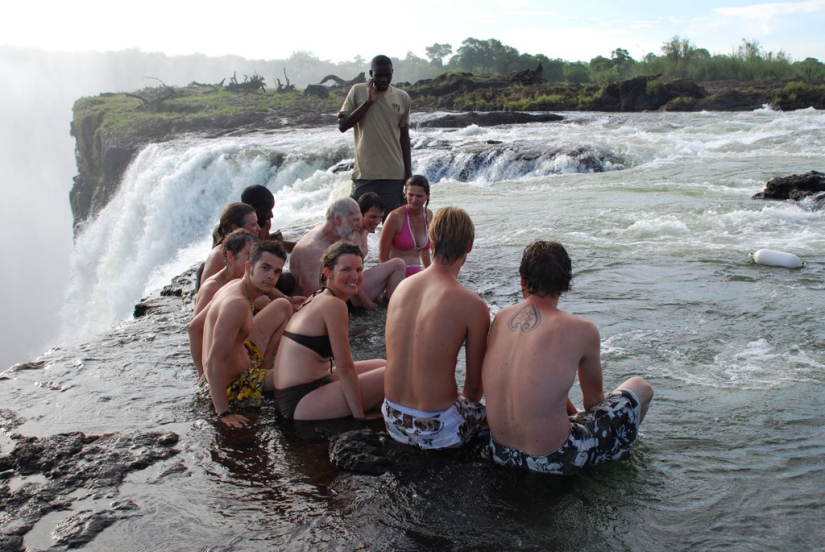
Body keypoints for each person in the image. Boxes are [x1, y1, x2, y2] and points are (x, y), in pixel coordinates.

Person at [482, 241, 654, 475]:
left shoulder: (501, 318)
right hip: (555, 459)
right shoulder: (582, 330)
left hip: (500, 452)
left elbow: (537, 385)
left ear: (523, 280)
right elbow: (593, 402)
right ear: (565, 284)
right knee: (640, 387)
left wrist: (571, 415)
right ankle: (612, 459)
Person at [382, 207, 490, 449]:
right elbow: (473, 388)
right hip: (438, 429)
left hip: (391, 417)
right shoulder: (473, 305)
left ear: (431, 242)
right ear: (469, 247)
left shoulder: (401, 288)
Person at [272, 241, 385, 420]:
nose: (354, 276)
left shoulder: (319, 295)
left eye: (359, 269)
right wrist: (359, 418)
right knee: (391, 375)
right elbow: (345, 367)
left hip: (301, 389)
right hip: (301, 401)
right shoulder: (334, 305)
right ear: (328, 272)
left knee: (382, 364)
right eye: (346, 269)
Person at [196, 240, 292, 427]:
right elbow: (213, 361)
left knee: (284, 306)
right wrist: (224, 413)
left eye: (277, 271)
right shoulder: (237, 304)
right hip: (235, 385)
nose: (271, 276)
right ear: (249, 267)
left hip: (245, 356)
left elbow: (193, 327)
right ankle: (263, 376)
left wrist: (201, 376)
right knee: (303, 373)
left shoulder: (234, 284)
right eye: (265, 268)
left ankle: (265, 367)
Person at [338, 55, 412, 215]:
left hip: (394, 175)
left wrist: (408, 175)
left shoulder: (402, 97)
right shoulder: (357, 91)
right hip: (365, 173)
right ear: (371, 73)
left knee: (393, 226)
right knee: (356, 222)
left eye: (388, 75)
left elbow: (404, 137)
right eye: (379, 75)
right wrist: (368, 102)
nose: (384, 79)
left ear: (392, 72)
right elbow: (342, 125)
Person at [289, 197, 363, 297]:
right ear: (338, 219)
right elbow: (310, 294)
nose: (360, 224)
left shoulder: (335, 235)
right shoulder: (313, 249)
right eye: (356, 220)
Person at [348, 192, 405, 309]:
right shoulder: (353, 236)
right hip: (349, 295)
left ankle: (387, 303)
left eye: (380, 217)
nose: (378, 221)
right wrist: (368, 303)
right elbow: (348, 275)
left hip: (354, 287)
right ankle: (389, 308)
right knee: (398, 264)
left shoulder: (364, 231)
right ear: (360, 214)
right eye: (373, 216)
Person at [241, 184, 297, 296]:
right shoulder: (238, 230)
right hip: (246, 277)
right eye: (267, 210)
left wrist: (300, 246)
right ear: (253, 209)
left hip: (262, 271)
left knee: (288, 279)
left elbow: (265, 243)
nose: (271, 215)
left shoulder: (265, 223)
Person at [378, 175, 433, 277]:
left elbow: (425, 252)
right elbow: (382, 254)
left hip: (417, 276)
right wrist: (390, 278)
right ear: (405, 194)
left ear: (427, 196)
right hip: (396, 275)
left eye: (419, 196)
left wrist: (431, 275)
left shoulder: (428, 215)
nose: (414, 199)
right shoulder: (395, 217)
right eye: (410, 195)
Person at [199, 203, 260, 289]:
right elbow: (206, 291)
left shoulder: (249, 248)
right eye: (253, 225)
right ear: (234, 228)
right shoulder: (219, 255)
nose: (259, 228)